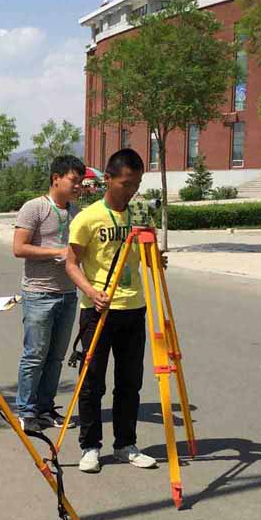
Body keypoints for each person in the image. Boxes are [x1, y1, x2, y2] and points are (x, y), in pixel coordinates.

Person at [65, 148, 158, 474]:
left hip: (134, 307)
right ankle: (90, 445)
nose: (131, 190)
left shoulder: (139, 215)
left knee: (130, 381)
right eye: (126, 183)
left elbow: (146, 259)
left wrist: (156, 258)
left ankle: (125, 444)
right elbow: (71, 262)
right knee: (92, 382)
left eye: (137, 184)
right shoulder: (88, 218)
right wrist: (90, 291)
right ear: (108, 179)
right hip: (98, 310)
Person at [13, 155, 85, 434]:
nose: (78, 185)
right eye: (73, 180)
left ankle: (45, 408)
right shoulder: (34, 208)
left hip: (68, 293)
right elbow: (19, 248)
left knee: (56, 357)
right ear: (56, 178)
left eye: (81, 181)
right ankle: (26, 411)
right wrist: (57, 252)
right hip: (39, 294)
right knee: (34, 356)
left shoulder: (76, 212)